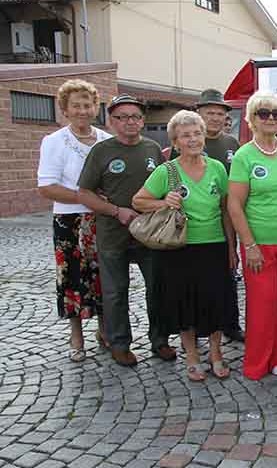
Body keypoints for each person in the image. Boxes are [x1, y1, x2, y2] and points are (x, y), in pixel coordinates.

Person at [132, 111, 235, 381]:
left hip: (213, 246)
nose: (193, 139)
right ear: (175, 142)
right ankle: (191, 356)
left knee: (215, 302)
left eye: (197, 133)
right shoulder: (167, 171)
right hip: (179, 248)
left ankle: (216, 354)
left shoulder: (217, 169)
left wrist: (232, 247)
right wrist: (164, 202)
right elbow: (138, 201)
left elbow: (226, 210)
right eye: (186, 135)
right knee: (185, 303)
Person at [77, 95, 175, 367]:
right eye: (122, 117)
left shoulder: (153, 149)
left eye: (135, 117)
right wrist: (116, 211)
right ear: (112, 121)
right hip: (113, 233)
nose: (130, 122)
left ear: (143, 121)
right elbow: (84, 193)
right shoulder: (101, 151)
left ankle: (160, 340)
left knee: (157, 287)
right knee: (115, 291)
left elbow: (166, 186)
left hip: (151, 233)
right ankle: (119, 344)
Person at [227, 90, 277, 380]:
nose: (271, 119)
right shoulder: (244, 155)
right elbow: (234, 204)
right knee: (262, 304)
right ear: (252, 119)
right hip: (259, 242)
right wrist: (249, 245)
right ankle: (258, 362)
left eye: (276, 114)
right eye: (264, 113)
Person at [37, 79, 113, 362]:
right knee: (73, 276)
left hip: (103, 219)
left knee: (105, 273)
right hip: (70, 220)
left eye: (88, 105)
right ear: (65, 110)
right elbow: (47, 187)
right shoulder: (55, 142)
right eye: (76, 105)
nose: (83, 110)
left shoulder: (106, 141)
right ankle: (76, 335)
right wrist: (88, 199)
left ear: (96, 108)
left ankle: (105, 329)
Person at [192, 88, 245, 343]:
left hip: (226, 216)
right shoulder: (188, 141)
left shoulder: (231, 144)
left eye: (219, 113)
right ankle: (197, 326)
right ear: (198, 113)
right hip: (195, 223)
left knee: (230, 269)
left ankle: (231, 323)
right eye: (209, 112)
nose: (214, 118)